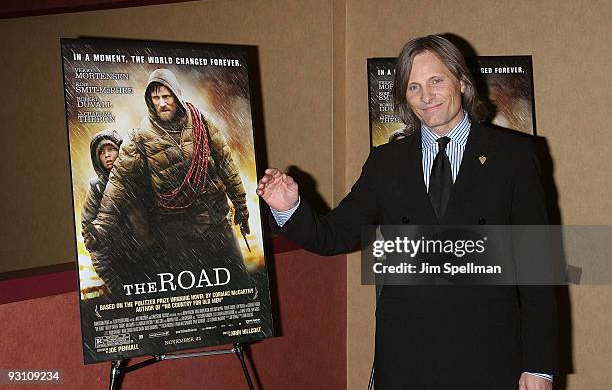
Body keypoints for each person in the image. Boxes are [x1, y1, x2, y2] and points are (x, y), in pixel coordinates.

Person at [257, 35, 557, 389]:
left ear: (461, 81)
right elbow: (335, 234)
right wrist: (290, 208)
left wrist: (539, 366)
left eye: (436, 81)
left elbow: (538, 268)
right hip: (406, 356)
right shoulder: (387, 162)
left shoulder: (514, 157)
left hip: (488, 352)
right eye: (413, 86)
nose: (426, 96)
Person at [85, 68, 251, 290]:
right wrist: (102, 225)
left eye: (166, 96)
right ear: (150, 101)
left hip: (217, 222)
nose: (162, 103)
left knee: (240, 287)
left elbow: (226, 164)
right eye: (156, 98)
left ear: (176, 95)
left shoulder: (202, 121)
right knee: (194, 299)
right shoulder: (140, 136)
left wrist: (241, 205)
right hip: (178, 233)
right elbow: (118, 181)